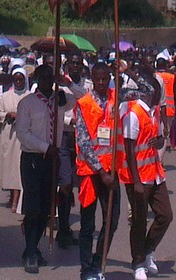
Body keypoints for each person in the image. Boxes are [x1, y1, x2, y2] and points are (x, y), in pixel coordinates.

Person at [16, 64, 76, 273]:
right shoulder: (27, 103)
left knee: (46, 206)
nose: (47, 81)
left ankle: (32, 247)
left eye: (50, 77)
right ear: (36, 79)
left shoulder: (60, 101)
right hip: (33, 158)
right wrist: (45, 147)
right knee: (33, 206)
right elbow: (22, 134)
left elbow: (83, 97)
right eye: (43, 77)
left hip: (53, 159)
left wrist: (66, 83)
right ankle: (31, 251)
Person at [119, 69, 173, 280]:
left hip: (155, 173)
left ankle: (148, 249)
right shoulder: (133, 114)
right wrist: (136, 181)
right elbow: (130, 148)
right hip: (139, 177)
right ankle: (137, 262)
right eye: (157, 90)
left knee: (165, 215)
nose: (160, 94)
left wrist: (160, 141)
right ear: (148, 91)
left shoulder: (152, 112)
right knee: (139, 221)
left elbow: (156, 138)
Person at [74, 63, 123, 280]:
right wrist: (101, 172)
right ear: (92, 78)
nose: (102, 83)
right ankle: (86, 268)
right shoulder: (83, 103)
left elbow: (148, 91)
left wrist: (126, 70)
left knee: (111, 221)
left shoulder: (117, 97)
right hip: (91, 173)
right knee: (87, 224)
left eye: (105, 79)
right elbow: (83, 142)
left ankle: (98, 262)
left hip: (112, 170)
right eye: (98, 79)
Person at [57, 52, 93, 249]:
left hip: (80, 138)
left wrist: (71, 84)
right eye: (72, 63)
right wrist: (69, 120)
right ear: (67, 64)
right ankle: (62, 227)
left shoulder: (86, 85)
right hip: (64, 135)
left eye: (78, 63)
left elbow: (87, 100)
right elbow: (55, 109)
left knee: (82, 184)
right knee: (65, 183)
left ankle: (81, 228)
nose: (75, 66)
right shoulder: (59, 84)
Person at [0, 67, 31, 213]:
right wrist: (8, 115)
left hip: (23, 138)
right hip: (8, 135)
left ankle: (16, 200)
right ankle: (12, 197)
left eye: (21, 79)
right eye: (16, 79)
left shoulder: (29, 96)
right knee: (9, 169)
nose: (18, 82)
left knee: (18, 169)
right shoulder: (6, 96)